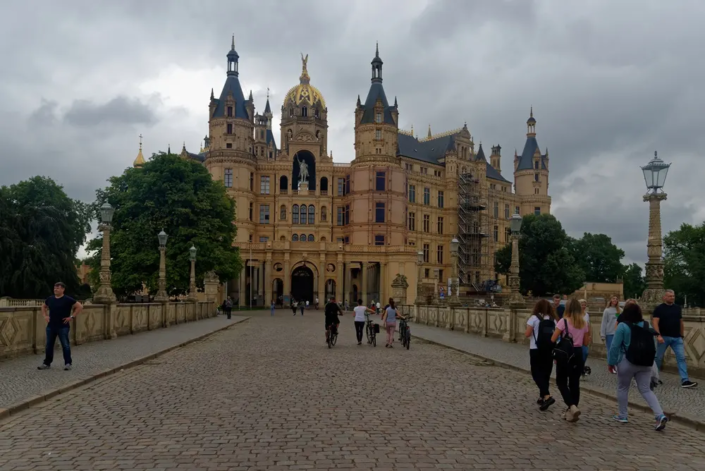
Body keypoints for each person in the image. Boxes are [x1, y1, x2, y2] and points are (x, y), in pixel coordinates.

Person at [608, 302, 668, 430]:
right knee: (646, 390)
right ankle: (660, 415)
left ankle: (623, 415)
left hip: (627, 361)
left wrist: (611, 362)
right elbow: (652, 344)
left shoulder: (623, 326)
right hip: (646, 363)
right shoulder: (646, 325)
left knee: (623, 388)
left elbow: (614, 346)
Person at [551, 298, 591, 422]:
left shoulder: (563, 322)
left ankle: (571, 406)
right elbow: (585, 342)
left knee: (561, 381)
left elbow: (553, 339)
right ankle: (573, 409)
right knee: (575, 383)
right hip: (578, 353)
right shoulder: (584, 323)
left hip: (565, 353)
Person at [653, 290, 698, 388]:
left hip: (677, 338)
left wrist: (681, 335)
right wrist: (658, 335)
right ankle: (653, 377)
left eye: (673, 296)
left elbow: (680, 322)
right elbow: (655, 322)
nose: (672, 298)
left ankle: (685, 380)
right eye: (669, 296)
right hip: (663, 337)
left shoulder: (677, 308)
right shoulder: (659, 309)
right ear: (664, 297)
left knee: (681, 358)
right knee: (658, 358)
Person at [38, 282, 83, 371]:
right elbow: (43, 306)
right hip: (51, 326)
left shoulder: (67, 299)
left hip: (63, 326)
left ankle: (68, 363)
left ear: (63, 289)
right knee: (49, 345)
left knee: (65, 345)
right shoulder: (50, 299)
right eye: (55, 288)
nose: (55, 289)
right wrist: (45, 316)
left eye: (58, 288)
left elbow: (79, 306)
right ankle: (47, 363)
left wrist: (71, 316)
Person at [524, 299, 557, 411]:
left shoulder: (534, 318)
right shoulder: (554, 320)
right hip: (548, 350)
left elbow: (527, 334)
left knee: (536, 373)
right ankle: (541, 397)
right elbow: (556, 336)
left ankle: (547, 396)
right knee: (545, 374)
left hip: (535, 348)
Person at [601, 296, 621, 361]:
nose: (615, 300)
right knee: (610, 349)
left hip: (618, 333)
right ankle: (610, 363)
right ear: (610, 300)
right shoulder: (607, 310)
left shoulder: (620, 310)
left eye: (616, 299)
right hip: (609, 333)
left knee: (618, 350)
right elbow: (604, 323)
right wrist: (602, 335)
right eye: (613, 298)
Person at [579, 298, 591, 377]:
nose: (583, 306)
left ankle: (581, 367)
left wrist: (589, 335)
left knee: (585, 352)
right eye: (582, 305)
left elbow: (588, 326)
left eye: (584, 305)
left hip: (585, 336)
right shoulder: (576, 314)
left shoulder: (587, 315)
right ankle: (580, 368)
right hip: (578, 335)